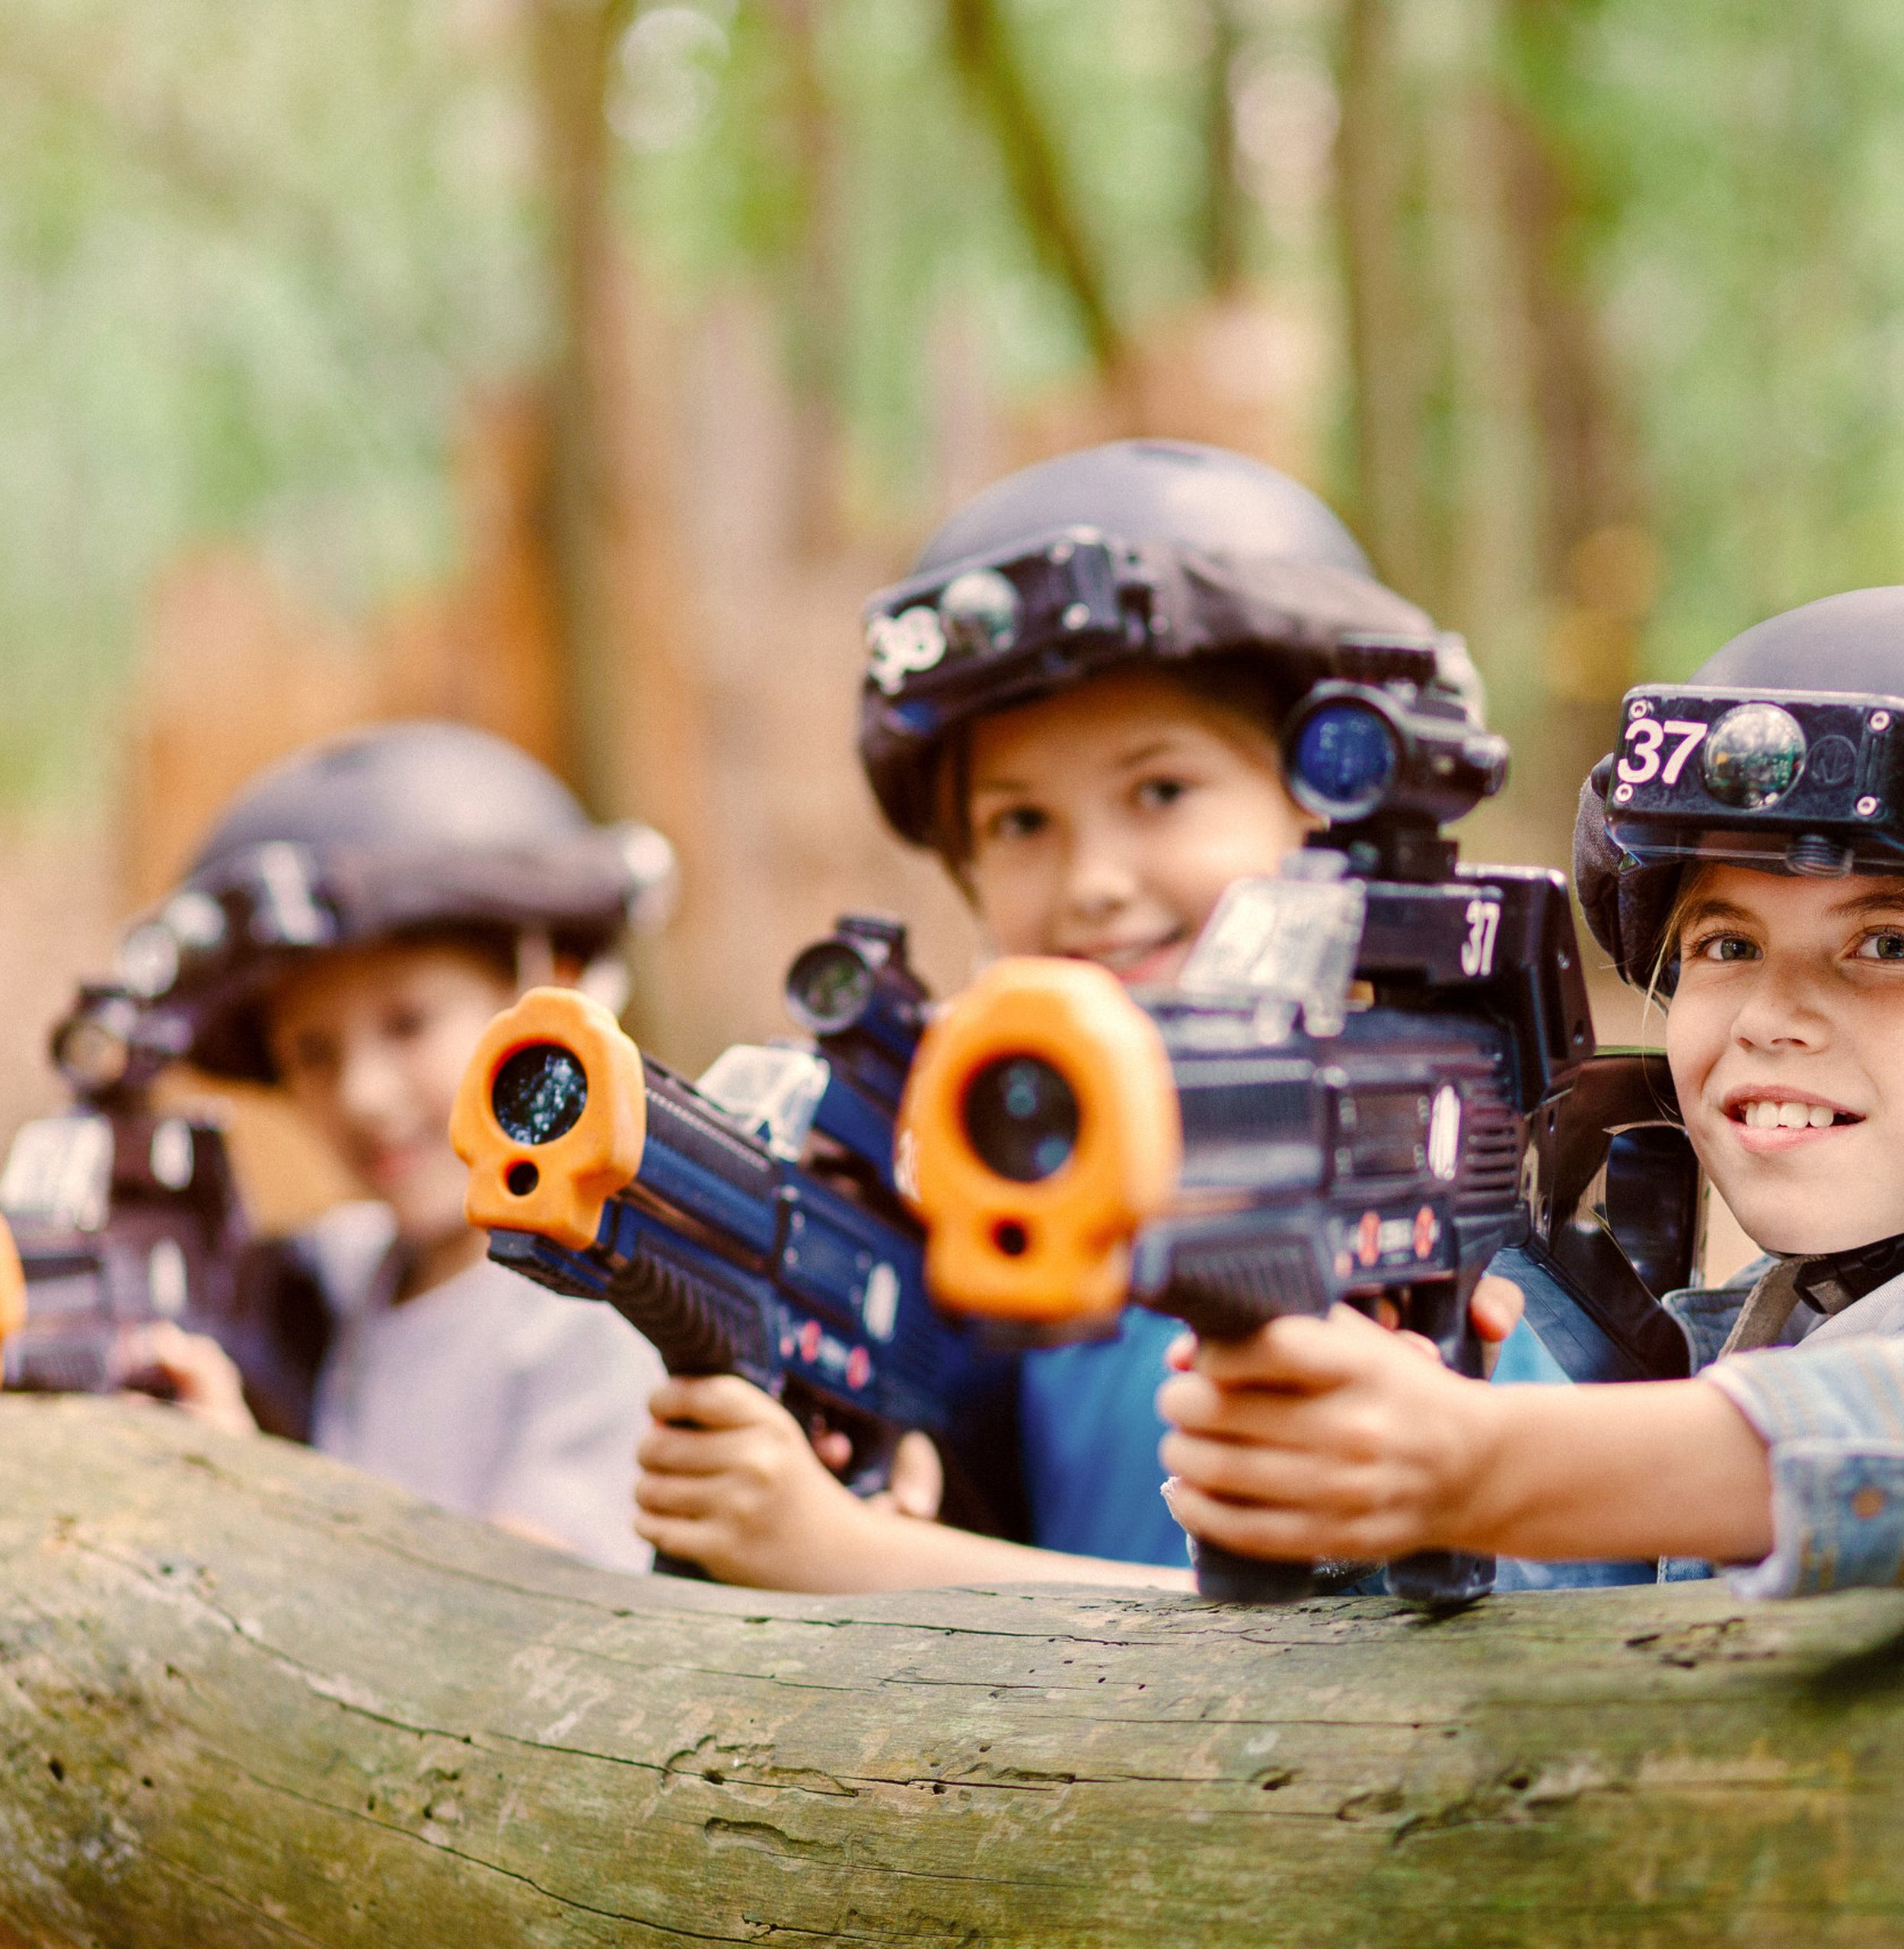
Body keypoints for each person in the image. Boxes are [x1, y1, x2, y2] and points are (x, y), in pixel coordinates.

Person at [1157, 585, 1904, 1598]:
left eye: (1888, 945)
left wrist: (1491, 1460)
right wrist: (1349, 1488)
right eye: (1727, 944)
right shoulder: (1721, 1349)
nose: (1771, 1014)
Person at [630, 438, 1605, 1592]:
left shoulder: (1434, 1210)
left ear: (1338, 803)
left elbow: (1374, 1654)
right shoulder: (1027, 1195)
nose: (1092, 881)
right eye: (1020, 822)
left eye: (1161, 791)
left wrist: (852, 1559)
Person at [132, 721, 675, 1572]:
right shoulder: (346, 1279)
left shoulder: (608, 1306)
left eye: (410, 1023)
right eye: (313, 1052)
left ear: (555, 990)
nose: (363, 1095)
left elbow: (522, 1607)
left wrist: (254, 1506)